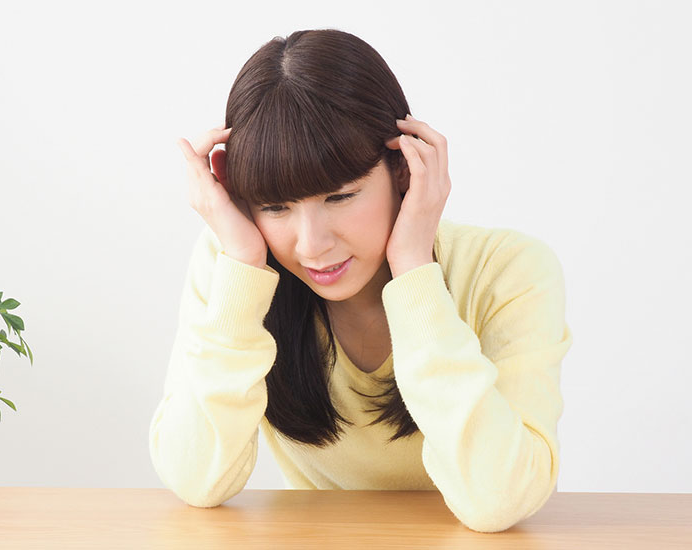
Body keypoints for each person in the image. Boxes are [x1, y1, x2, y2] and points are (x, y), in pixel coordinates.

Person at [149, 28, 573, 534]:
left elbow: (498, 500)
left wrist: (415, 271)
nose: (311, 245)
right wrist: (242, 263)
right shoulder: (239, 264)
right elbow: (195, 480)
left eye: (340, 196)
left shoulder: (510, 271)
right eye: (276, 206)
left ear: (404, 167)